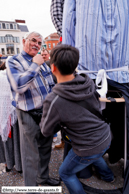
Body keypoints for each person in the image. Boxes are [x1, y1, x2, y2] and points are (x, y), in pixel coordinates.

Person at [40, 44, 114, 194]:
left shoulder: (54, 99)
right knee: (96, 153)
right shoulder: (87, 82)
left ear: (52, 68)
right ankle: (109, 177)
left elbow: (46, 131)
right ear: (75, 65)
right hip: (106, 135)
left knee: (65, 173)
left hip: (88, 145)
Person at [6, 31, 60, 189]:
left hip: (45, 112)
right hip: (27, 113)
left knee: (45, 148)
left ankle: (43, 178)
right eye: (33, 40)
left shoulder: (42, 62)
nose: (36, 44)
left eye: (39, 42)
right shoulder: (13, 60)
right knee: (30, 154)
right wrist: (35, 64)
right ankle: (30, 188)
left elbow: (51, 84)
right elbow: (19, 87)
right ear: (24, 41)